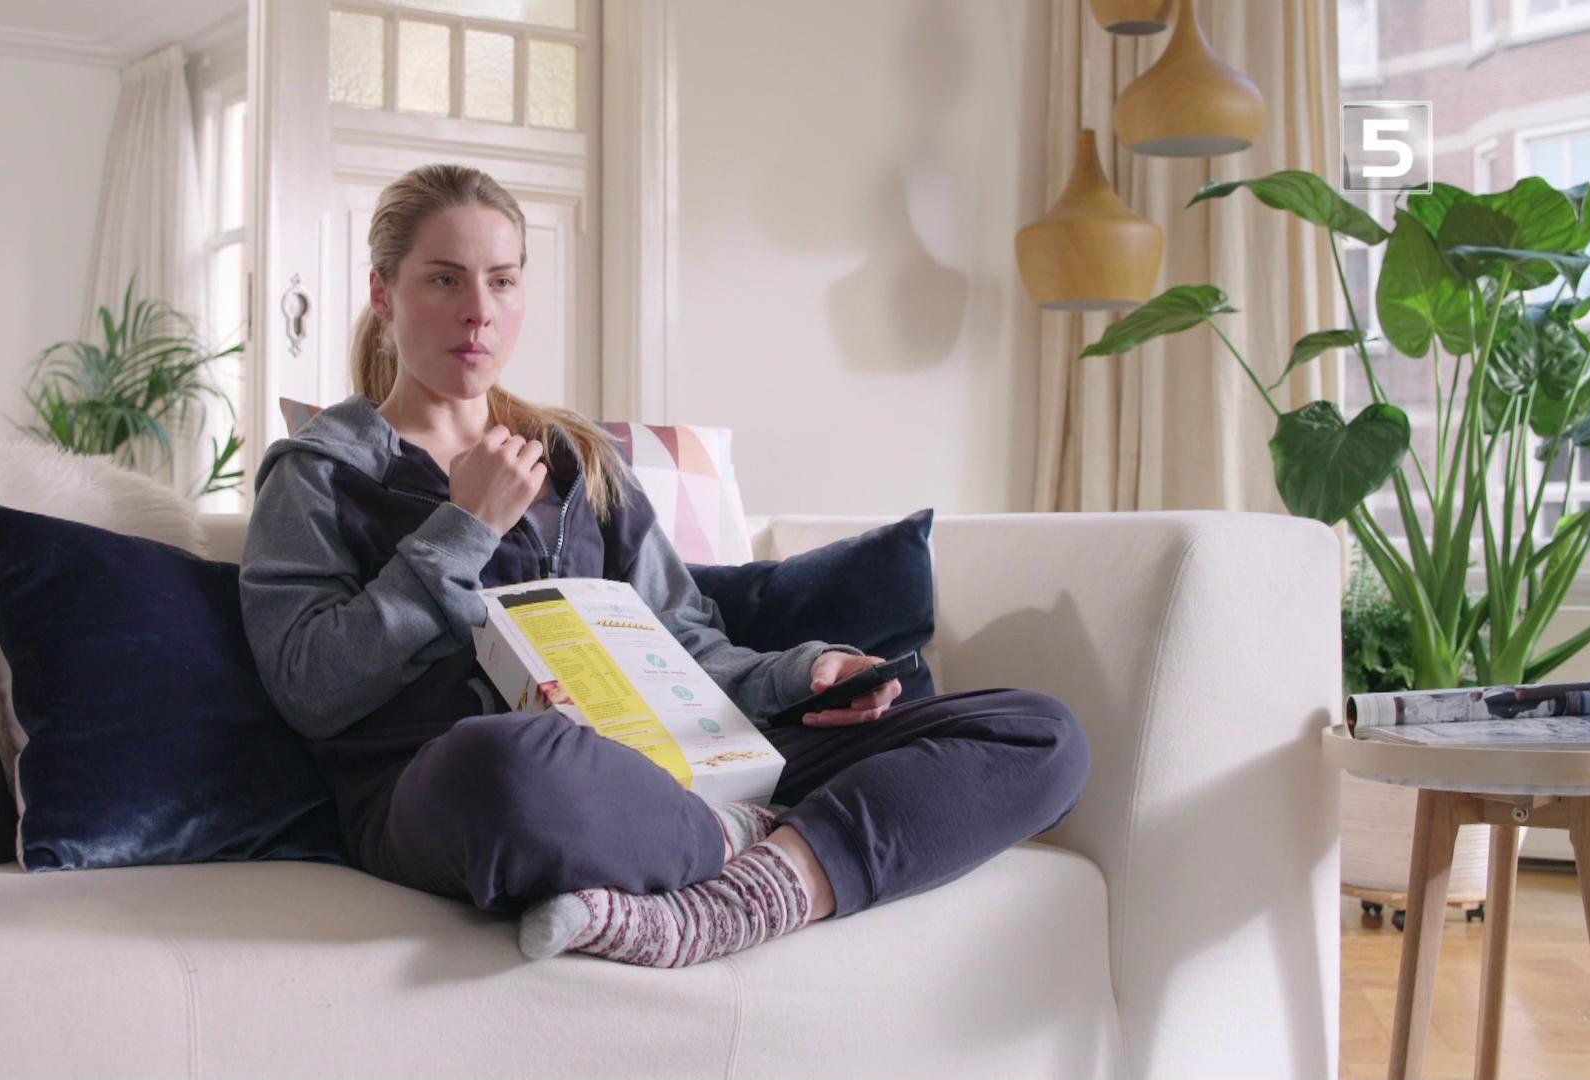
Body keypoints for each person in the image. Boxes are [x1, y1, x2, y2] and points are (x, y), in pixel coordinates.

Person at [239, 163, 1091, 969]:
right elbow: (309, 685)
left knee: (1040, 733)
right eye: (444, 279)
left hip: (671, 755)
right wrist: (464, 527)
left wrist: (805, 672)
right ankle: (742, 837)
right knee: (502, 763)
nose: (479, 312)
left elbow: (685, 643)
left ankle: (739, 894)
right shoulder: (318, 473)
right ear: (383, 293)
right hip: (466, 785)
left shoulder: (575, 458)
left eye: (502, 281)